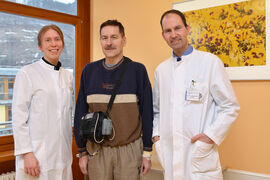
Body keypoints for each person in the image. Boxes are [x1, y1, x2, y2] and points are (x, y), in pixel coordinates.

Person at [152, 9, 240, 180]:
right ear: (163, 35)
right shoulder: (161, 70)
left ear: (187, 29)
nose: (174, 34)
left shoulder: (210, 63)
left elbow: (230, 107)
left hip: (199, 155)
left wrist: (210, 136)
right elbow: (157, 110)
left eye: (178, 28)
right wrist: (157, 138)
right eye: (168, 31)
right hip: (170, 154)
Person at [74, 19, 153, 180]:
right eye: (104, 38)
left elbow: (147, 113)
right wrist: (81, 151)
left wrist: (147, 152)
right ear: (100, 41)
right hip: (97, 150)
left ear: (124, 40)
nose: (109, 43)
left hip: (129, 151)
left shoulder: (137, 71)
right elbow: (80, 112)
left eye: (114, 37)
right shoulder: (89, 71)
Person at [12, 24, 73, 180]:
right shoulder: (27, 73)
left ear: (62, 44)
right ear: (40, 46)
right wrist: (27, 153)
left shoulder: (68, 76)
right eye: (48, 40)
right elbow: (19, 117)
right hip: (36, 156)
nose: (53, 44)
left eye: (57, 39)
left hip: (63, 154)